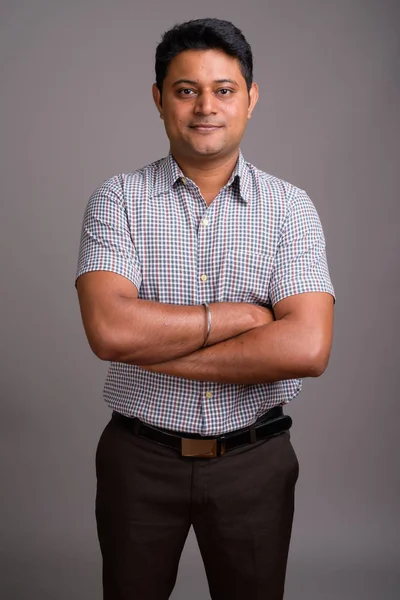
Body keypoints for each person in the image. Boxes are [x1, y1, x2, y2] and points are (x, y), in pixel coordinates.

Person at [75, 17, 335, 600]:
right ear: (159, 99)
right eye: (186, 89)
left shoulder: (291, 209)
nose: (205, 107)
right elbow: (111, 329)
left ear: (251, 98)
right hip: (138, 460)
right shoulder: (117, 199)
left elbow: (307, 349)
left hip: (255, 462)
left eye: (224, 89)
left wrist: (151, 348)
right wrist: (241, 318)